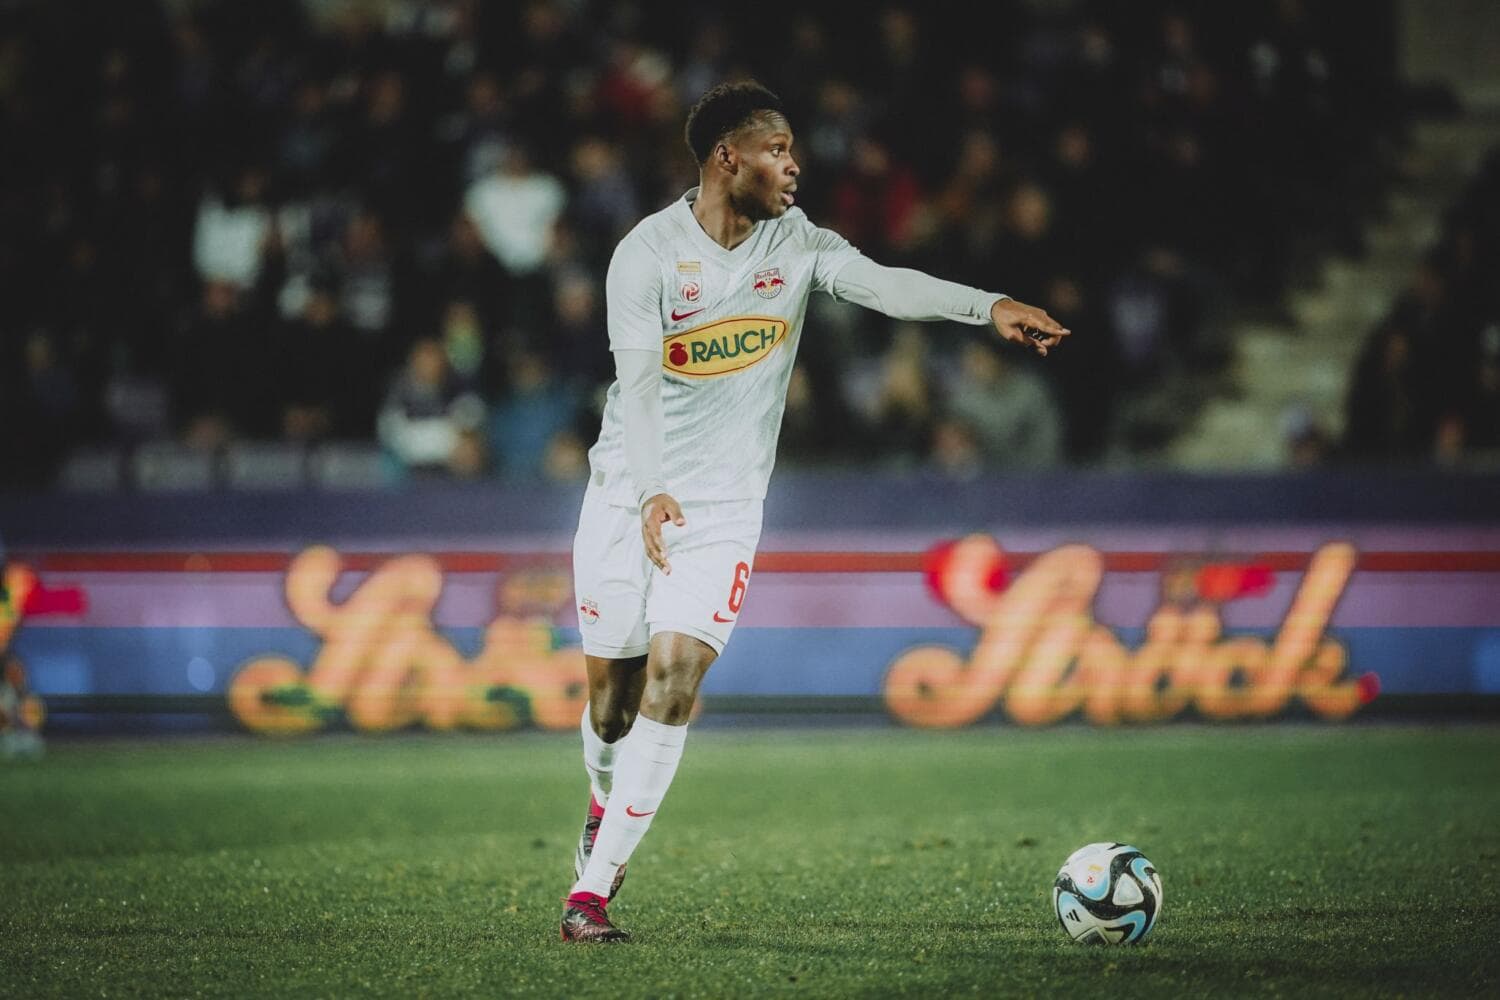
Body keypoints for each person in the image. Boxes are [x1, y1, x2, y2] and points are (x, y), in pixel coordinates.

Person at [561, 81, 1069, 942]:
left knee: (676, 679)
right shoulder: (646, 255)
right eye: (779, 150)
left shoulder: (798, 245)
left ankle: (592, 893)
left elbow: (884, 284)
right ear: (729, 156)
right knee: (613, 702)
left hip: (721, 509)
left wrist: (988, 308)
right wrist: (649, 490)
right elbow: (638, 390)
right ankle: (603, 794)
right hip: (625, 495)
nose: (796, 166)